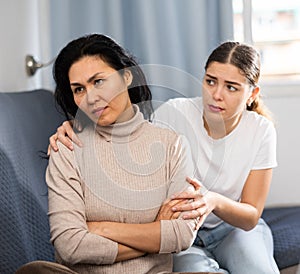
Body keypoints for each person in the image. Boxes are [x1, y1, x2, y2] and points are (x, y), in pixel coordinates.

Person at [49, 41, 280, 274]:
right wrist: (74, 125)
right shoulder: (174, 113)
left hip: (232, 229)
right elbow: (132, 137)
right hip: (187, 238)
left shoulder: (260, 130)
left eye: (231, 87)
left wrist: (212, 201)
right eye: (210, 81)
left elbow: (249, 215)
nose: (217, 95)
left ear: (252, 94)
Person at [42, 33, 202, 274]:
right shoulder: (66, 148)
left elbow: (181, 235)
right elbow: (71, 246)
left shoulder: (173, 146)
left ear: (127, 76)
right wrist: (157, 232)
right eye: (78, 89)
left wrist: (100, 229)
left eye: (98, 81)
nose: (91, 98)